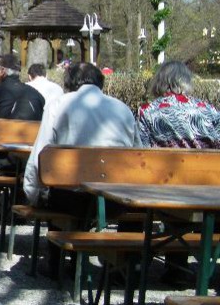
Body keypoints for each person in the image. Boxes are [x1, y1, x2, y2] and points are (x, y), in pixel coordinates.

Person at [137, 61, 220, 286]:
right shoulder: (209, 109)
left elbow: (143, 153)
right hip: (210, 190)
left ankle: (177, 270)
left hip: (171, 192)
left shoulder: (148, 111)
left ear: (160, 82)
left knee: (172, 198)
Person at [23, 62, 140, 208]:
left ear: (69, 83)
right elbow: (138, 154)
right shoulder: (123, 109)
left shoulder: (58, 105)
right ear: (100, 81)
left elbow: (40, 153)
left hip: (70, 200)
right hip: (116, 201)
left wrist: (33, 194)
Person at [138, 61, 220, 149]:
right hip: (207, 162)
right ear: (187, 82)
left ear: (158, 82)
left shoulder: (147, 112)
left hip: (163, 162)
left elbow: (142, 150)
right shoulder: (209, 110)